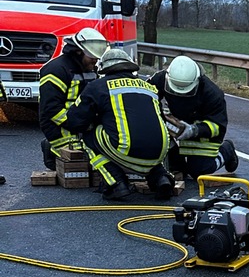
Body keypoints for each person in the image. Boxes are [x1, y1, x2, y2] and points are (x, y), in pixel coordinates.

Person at [63, 48, 173, 201]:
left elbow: (75, 121)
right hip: (160, 150)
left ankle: (116, 183)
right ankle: (161, 179)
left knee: (88, 136)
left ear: (104, 69)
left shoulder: (98, 86)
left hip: (126, 149)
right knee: (145, 140)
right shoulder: (148, 87)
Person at [148, 55, 238, 180]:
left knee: (199, 172)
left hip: (202, 131)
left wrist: (194, 130)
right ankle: (178, 166)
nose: (179, 96)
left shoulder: (213, 94)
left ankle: (227, 150)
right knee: (154, 136)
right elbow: (145, 95)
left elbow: (218, 126)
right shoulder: (160, 79)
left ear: (196, 82)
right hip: (176, 124)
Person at [38, 27, 109, 170]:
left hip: (82, 123)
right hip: (60, 127)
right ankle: (50, 148)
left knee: (106, 150)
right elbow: (51, 110)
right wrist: (76, 124)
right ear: (78, 52)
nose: (95, 61)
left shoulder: (89, 68)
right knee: (88, 157)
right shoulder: (56, 70)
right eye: (92, 57)